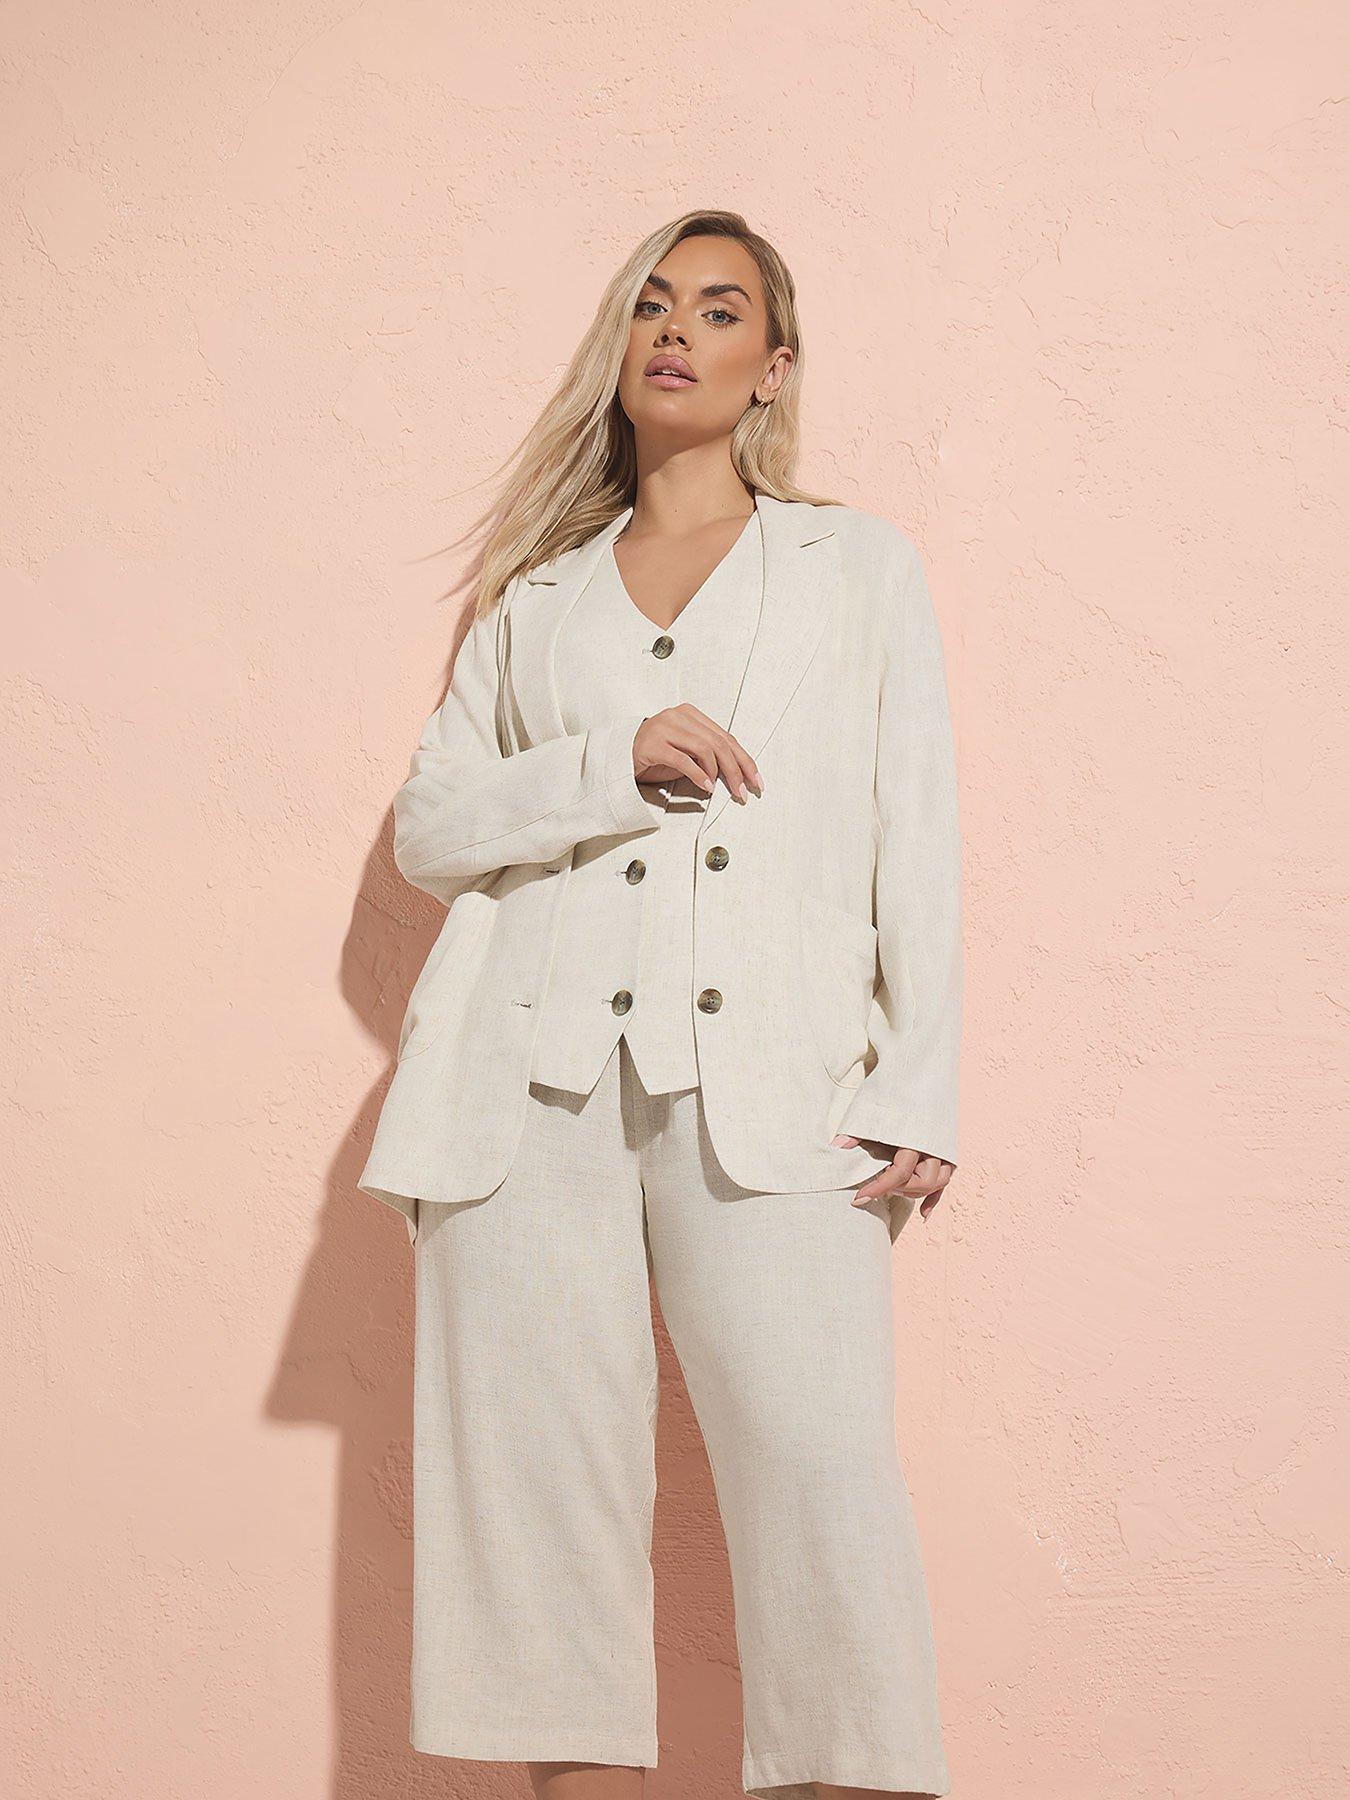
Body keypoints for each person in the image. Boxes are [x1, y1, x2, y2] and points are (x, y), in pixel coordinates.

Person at [358, 208, 962, 1800]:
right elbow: (432, 828)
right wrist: (602, 763)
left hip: (776, 1083)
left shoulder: (855, 568)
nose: (675, 330)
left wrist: (919, 1078)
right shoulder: (535, 598)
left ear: (774, 366)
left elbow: (916, 825)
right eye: (650, 304)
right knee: (534, 1512)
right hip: (522, 1097)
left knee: (821, 1485)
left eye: (717, 308)